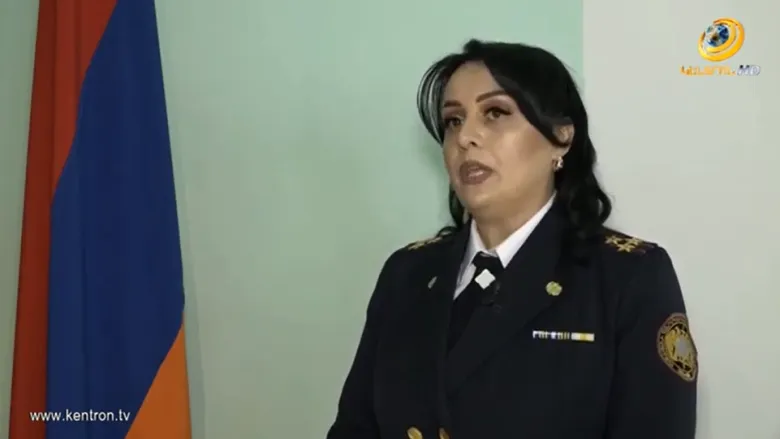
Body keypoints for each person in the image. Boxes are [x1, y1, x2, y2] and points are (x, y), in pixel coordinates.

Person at [326, 40, 697, 439]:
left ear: (561, 137)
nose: (465, 137)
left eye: (495, 113)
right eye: (453, 120)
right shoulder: (407, 274)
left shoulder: (628, 277)